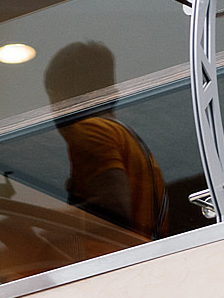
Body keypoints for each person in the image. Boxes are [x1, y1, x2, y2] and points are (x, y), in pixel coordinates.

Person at [43, 40, 167, 239]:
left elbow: (114, 207)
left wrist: (44, 223)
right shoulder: (127, 138)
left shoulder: (90, 130)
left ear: (58, 96)